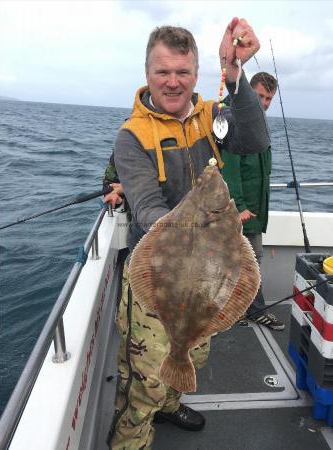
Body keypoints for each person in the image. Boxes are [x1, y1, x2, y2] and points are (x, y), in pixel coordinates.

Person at [107, 18, 271, 449]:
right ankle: (133, 434)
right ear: (147, 74)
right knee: (143, 382)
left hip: (208, 272)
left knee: (192, 351)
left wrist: (233, 72)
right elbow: (146, 208)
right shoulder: (132, 137)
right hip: (157, 276)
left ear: (196, 75)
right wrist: (213, 227)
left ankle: (170, 403)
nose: (173, 82)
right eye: (163, 72)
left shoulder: (211, 115)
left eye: (183, 72)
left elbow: (253, 139)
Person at [222, 72, 285, 331]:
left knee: (239, 260)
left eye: (269, 98)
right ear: (247, 91)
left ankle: (236, 310)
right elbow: (230, 167)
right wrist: (239, 206)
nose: (265, 103)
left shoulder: (256, 122)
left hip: (255, 208)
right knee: (251, 257)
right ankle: (253, 310)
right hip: (240, 210)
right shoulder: (230, 117)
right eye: (259, 96)